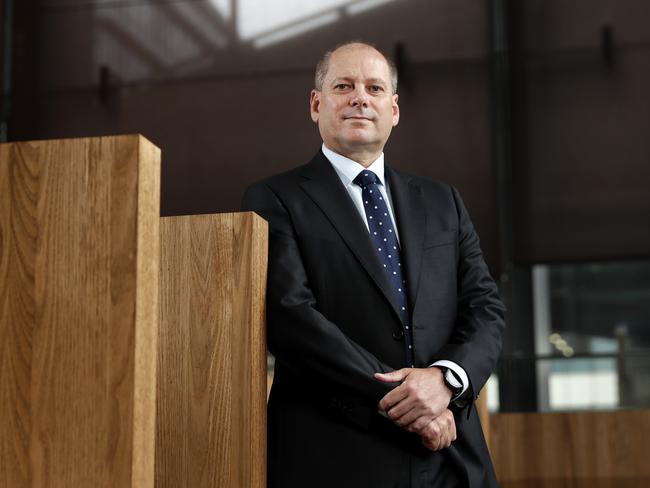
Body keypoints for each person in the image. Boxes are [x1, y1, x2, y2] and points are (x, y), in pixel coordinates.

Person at [242, 41, 505, 488]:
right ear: (316, 103)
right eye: (344, 85)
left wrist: (445, 381)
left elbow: (485, 307)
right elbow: (292, 319)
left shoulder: (444, 202)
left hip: (451, 456)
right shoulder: (274, 199)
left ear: (394, 108)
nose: (360, 97)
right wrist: (411, 405)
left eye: (374, 87)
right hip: (336, 453)